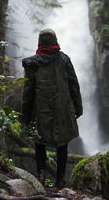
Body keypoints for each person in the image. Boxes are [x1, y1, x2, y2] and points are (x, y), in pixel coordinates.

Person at [22, 29, 83, 188]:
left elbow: (28, 92)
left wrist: (25, 115)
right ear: (55, 41)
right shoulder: (64, 60)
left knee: (39, 142)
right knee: (62, 143)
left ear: (40, 43)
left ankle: (41, 175)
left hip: (40, 110)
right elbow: (73, 86)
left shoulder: (33, 64)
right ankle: (60, 179)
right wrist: (78, 108)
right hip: (62, 109)